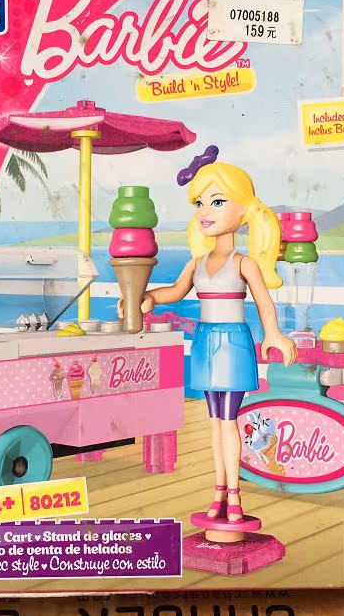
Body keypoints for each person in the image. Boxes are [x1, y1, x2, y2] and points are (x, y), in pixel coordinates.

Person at [121, 146, 296, 523]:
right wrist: (146, 297)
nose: (205, 212)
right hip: (205, 343)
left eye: (217, 202)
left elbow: (264, 304)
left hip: (233, 344)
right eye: (200, 203)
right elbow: (173, 292)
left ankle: (233, 495)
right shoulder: (197, 263)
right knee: (214, 421)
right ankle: (219, 491)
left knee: (228, 420)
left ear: (244, 210)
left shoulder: (244, 263)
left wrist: (274, 335)